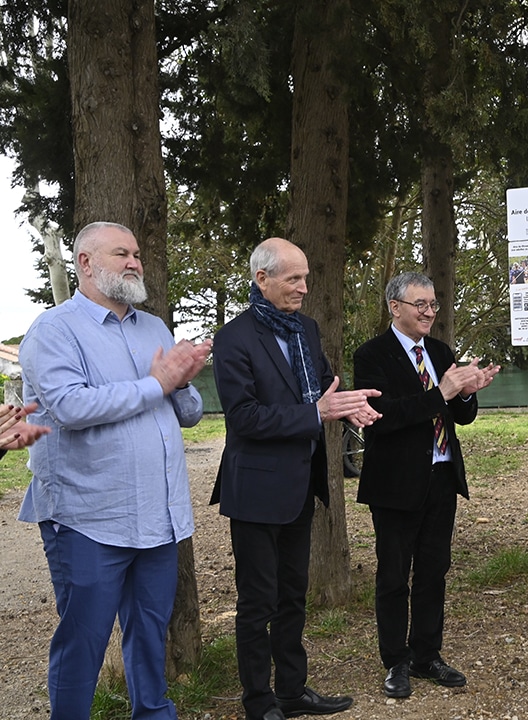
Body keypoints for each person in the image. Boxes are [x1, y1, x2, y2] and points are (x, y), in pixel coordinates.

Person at [18, 221, 212, 720]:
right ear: (85, 263)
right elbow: (69, 408)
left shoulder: (153, 327)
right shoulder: (53, 330)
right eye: (121, 253)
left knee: (150, 633)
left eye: (137, 254)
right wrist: (158, 383)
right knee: (83, 639)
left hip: (158, 516)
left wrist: (183, 381)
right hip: (88, 517)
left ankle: (153, 713)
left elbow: (188, 414)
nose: (134, 262)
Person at [212, 237, 381, 720]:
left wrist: (350, 409)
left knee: (293, 597)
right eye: (294, 278)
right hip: (256, 492)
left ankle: (291, 690)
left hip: (301, 486)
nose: (305, 288)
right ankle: (259, 703)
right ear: (261, 279)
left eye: (306, 277)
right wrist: (316, 413)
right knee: (257, 603)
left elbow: (325, 386)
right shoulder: (233, 339)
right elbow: (244, 418)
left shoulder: (306, 329)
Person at [353, 271, 500, 699]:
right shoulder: (372, 356)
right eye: (421, 305)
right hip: (395, 484)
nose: (429, 313)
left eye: (433, 305)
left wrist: (469, 391)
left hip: (441, 476)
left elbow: (461, 416)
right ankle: (395, 661)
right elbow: (384, 419)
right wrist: (443, 391)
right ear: (395, 307)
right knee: (395, 576)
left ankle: (426, 654)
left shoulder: (439, 351)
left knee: (434, 571)